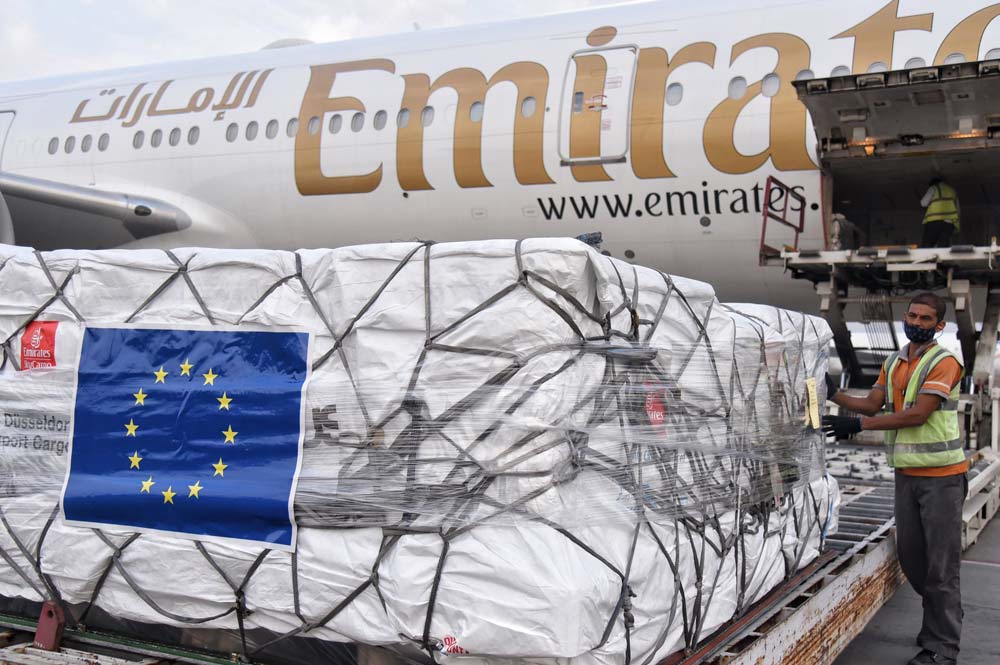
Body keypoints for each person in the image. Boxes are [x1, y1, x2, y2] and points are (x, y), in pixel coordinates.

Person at [822, 292, 966, 665]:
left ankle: (942, 646)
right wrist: (834, 394)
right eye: (912, 316)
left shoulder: (945, 362)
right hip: (907, 475)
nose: (916, 323)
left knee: (941, 567)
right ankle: (940, 621)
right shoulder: (894, 361)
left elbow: (918, 414)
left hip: (942, 478)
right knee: (912, 558)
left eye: (925, 319)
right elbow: (872, 404)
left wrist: (858, 426)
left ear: (939, 325)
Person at [920, 178, 960, 248]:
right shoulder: (952, 190)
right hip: (949, 223)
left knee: (927, 246)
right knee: (943, 246)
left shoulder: (933, 188)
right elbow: (958, 209)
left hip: (934, 221)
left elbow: (923, 203)